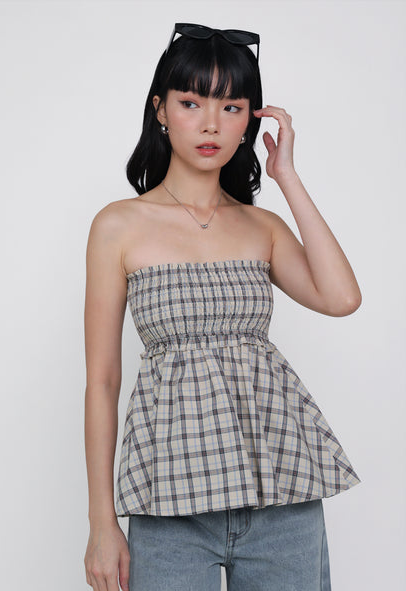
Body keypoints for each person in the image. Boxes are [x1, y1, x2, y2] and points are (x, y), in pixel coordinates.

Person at [84, 22, 362, 591]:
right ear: (160, 110)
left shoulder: (262, 226)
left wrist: (286, 177)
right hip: (169, 502)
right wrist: (101, 523)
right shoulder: (118, 226)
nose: (211, 123)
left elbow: (341, 298)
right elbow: (102, 381)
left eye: (231, 107)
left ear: (249, 121)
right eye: (191, 102)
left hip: (281, 492)